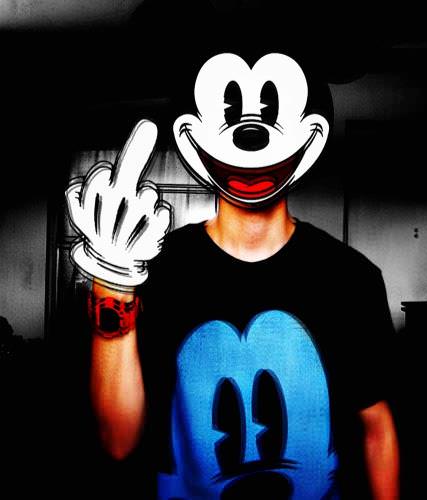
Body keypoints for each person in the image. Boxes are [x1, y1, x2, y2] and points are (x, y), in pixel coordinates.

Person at [66, 53, 399, 499]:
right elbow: (118, 440)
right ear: (191, 132)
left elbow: (377, 430)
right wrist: (114, 280)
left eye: (271, 111)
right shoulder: (156, 271)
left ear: (311, 132)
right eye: (228, 112)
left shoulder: (350, 279)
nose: (250, 135)